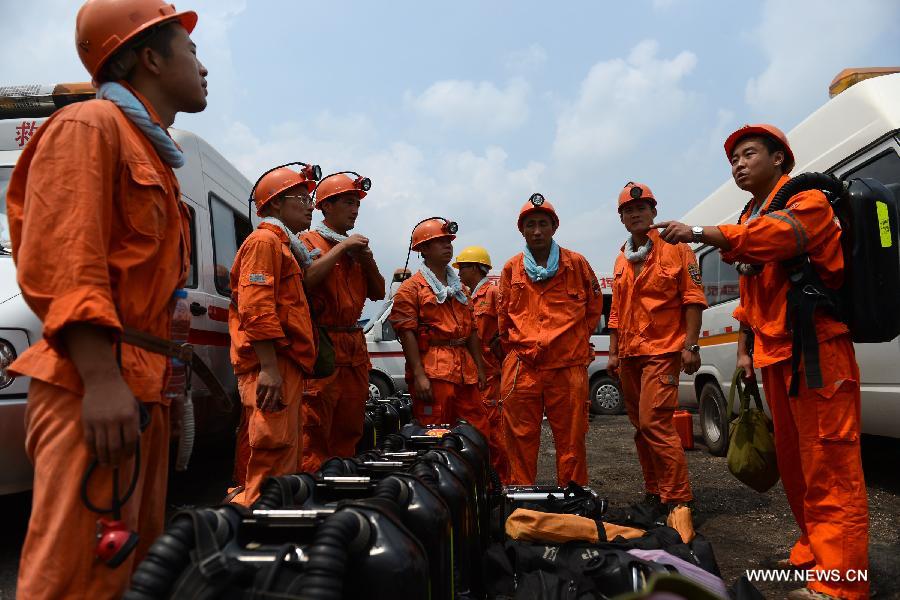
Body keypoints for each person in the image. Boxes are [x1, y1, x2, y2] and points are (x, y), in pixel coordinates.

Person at [5, 0, 206, 596]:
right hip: (96, 381)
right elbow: (66, 258)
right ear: (149, 57)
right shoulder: (87, 127)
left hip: (137, 378)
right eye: (191, 51)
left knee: (124, 570)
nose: (202, 67)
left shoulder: (150, 151)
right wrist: (100, 379)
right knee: (77, 576)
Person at [653, 124, 868, 600]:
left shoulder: (805, 201)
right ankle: (814, 551)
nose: (738, 164)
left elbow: (780, 239)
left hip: (817, 355)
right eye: (733, 159)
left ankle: (843, 584)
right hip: (776, 358)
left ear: (780, 159)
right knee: (795, 465)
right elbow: (752, 296)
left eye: (749, 154)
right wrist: (747, 350)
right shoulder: (754, 214)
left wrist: (702, 232)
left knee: (829, 465)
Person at [607, 181, 707, 518]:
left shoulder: (676, 247)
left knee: (656, 423)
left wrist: (690, 345)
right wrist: (614, 351)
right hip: (631, 355)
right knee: (640, 427)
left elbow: (692, 298)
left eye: (641, 208)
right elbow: (617, 311)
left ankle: (679, 498)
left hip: (663, 351)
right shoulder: (622, 258)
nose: (635, 214)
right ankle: (655, 493)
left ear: (653, 211)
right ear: (622, 218)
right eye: (628, 210)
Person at [497, 194, 603, 486]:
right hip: (522, 368)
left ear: (554, 227)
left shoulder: (577, 264)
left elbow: (595, 308)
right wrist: (521, 350)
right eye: (530, 224)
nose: (537, 231)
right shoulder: (511, 269)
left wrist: (574, 341)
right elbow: (503, 318)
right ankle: (522, 500)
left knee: (571, 439)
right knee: (519, 439)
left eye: (543, 224)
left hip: (567, 367)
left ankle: (573, 499)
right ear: (521, 230)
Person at [228, 165, 318, 507]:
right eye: (303, 198)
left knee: (283, 458)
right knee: (271, 452)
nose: (311, 206)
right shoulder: (265, 241)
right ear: (277, 204)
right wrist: (268, 367)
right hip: (272, 364)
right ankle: (256, 534)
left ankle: (273, 527)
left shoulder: (284, 246)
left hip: (283, 364)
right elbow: (256, 307)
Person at [299, 172, 385, 472]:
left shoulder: (355, 248)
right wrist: (341, 249)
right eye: (349, 203)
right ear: (326, 207)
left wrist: (367, 260)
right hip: (324, 344)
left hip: (354, 347)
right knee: (315, 426)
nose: (355, 210)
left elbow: (378, 292)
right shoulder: (308, 240)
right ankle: (312, 490)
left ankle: (342, 480)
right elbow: (307, 280)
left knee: (350, 425)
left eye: (357, 205)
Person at [389, 219, 489, 435]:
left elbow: (471, 330)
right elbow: (407, 334)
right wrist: (419, 375)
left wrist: (480, 367)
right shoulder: (411, 289)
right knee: (436, 434)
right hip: (434, 372)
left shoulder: (460, 289)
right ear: (423, 249)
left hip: (465, 370)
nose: (448, 246)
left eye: (449, 241)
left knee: (478, 432)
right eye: (440, 242)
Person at [454, 245, 509, 483]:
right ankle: (484, 480)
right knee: (474, 426)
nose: (459, 273)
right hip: (470, 370)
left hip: (490, 369)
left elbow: (507, 329)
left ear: (476, 268)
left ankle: (503, 481)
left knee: (495, 428)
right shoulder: (464, 296)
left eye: (463, 268)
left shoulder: (494, 293)